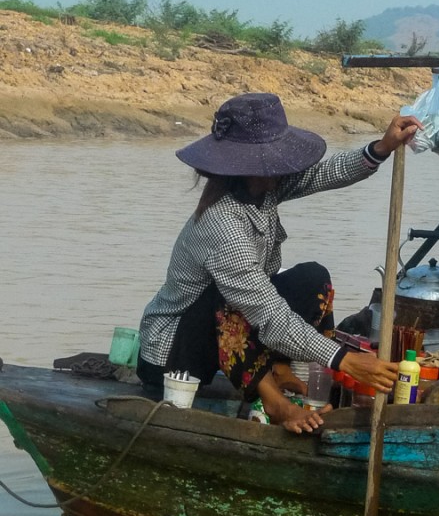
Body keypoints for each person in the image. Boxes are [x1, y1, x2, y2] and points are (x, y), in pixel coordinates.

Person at [137, 92, 422, 433]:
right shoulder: (222, 224)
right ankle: (275, 402)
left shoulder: (262, 189)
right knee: (232, 304)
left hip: (228, 331)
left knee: (312, 278)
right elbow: (267, 314)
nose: (284, 167)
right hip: (174, 358)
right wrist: (343, 359)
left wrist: (381, 148)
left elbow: (321, 174)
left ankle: (281, 370)